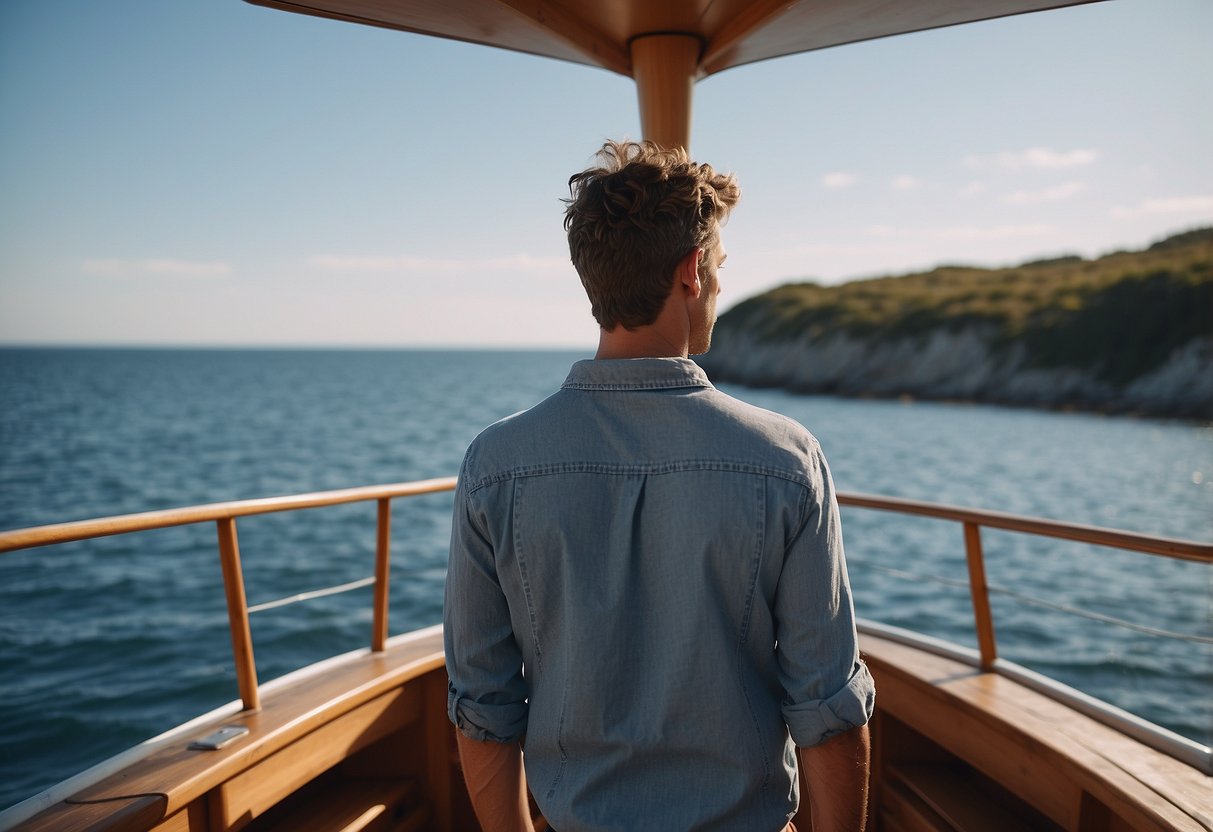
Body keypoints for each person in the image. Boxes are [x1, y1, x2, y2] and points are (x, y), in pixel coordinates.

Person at [444, 140, 874, 832]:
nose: (720, 288)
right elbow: (825, 706)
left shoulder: (495, 463)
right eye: (722, 268)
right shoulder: (786, 459)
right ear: (691, 271)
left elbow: (483, 703)